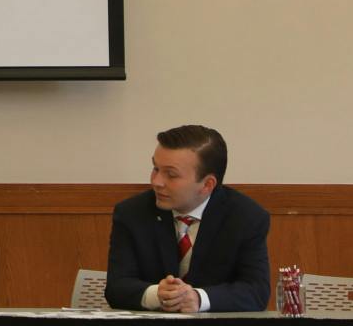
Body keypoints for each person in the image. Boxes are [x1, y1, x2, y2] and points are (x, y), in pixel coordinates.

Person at [106, 124, 270, 313]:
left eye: (171, 174)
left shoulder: (246, 217)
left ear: (207, 184)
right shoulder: (132, 213)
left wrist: (199, 299)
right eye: (155, 168)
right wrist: (157, 294)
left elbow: (256, 291)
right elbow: (117, 286)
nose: (156, 182)